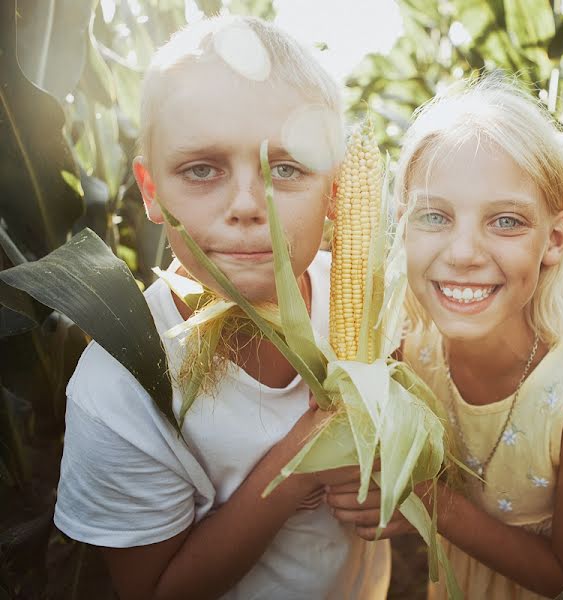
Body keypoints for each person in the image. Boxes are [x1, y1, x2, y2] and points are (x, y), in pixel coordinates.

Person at [53, 16, 389, 600]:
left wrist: (395, 480)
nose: (246, 204)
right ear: (151, 192)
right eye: (201, 170)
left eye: (285, 169)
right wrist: (299, 463)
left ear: (334, 191)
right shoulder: (119, 390)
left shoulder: (372, 304)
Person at [326, 76, 563, 599]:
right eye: (434, 216)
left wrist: (426, 499)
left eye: (506, 221)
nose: (464, 252)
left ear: (555, 239)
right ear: (402, 226)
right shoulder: (404, 346)